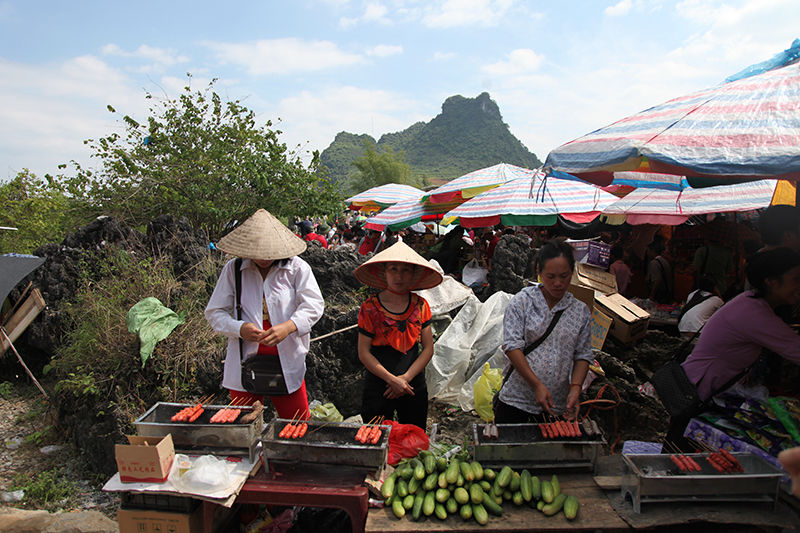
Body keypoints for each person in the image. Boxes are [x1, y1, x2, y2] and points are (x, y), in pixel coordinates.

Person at [667, 247, 800, 446]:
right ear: (771, 281)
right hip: (698, 394)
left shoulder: (749, 302)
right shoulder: (755, 313)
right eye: (796, 279)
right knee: (683, 454)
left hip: (700, 388)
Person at [205, 209, 324, 419]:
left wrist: (289, 326)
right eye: (257, 252)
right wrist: (239, 328)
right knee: (245, 424)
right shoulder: (234, 270)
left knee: (296, 424)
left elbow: (314, 304)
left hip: (287, 360)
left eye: (268, 252)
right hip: (244, 361)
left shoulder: (297, 268)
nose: (263, 258)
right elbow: (215, 312)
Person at [493, 240, 593, 423]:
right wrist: (536, 384)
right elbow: (512, 346)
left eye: (564, 276)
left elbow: (583, 355)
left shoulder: (580, 311)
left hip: (557, 405)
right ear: (539, 273)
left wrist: (575, 388)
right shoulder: (523, 302)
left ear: (572, 272)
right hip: (517, 400)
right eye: (550, 276)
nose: (558, 283)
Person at [354, 241, 443, 430]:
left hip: (413, 383)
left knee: (414, 437)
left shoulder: (421, 305)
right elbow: (363, 352)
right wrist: (391, 380)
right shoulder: (369, 308)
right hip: (379, 383)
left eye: (405, 270)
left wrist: (405, 379)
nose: (399, 276)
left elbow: (428, 348)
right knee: (374, 437)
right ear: (383, 273)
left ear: (413, 275)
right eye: (393, 269)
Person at [677, 273, 724, 337]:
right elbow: (724, 314)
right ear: (714, 287)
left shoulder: (692, 294)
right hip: (697, 330)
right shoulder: (717, 300)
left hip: (682, 328)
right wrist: (718, 293)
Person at [646, 238, 673, 303]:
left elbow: (657, 280)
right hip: (666, 291)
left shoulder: (654, 263)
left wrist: (652, 296)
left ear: (652, 251)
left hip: (659, 294)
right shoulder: (664, 260)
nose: (647, 253)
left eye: (648, 250)